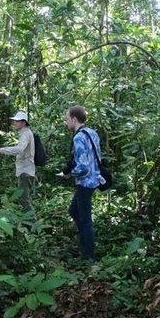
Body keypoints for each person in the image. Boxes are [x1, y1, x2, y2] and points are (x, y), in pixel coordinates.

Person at [61, 105, 105, 260]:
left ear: (74, 119)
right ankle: (85, 244)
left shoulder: (78, 137)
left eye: (67, 118)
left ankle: (88, 254)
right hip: (94, 180)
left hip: (85, 182)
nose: (67, 122)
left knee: (85, 218)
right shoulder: (92, 133)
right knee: (74, 211)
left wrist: (69, 174)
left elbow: (83, 166)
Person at [0, 111, 36, 212]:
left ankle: (33, 224)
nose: (14, 123)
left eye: (17, 121)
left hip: (25, 171)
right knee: (25, 198)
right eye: (14, 121)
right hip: (25, 170)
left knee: (24, 199)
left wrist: (1, 150)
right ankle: (28, 223)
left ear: (23, 123)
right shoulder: (25, 133)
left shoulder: (26, 134)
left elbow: (19, 149)